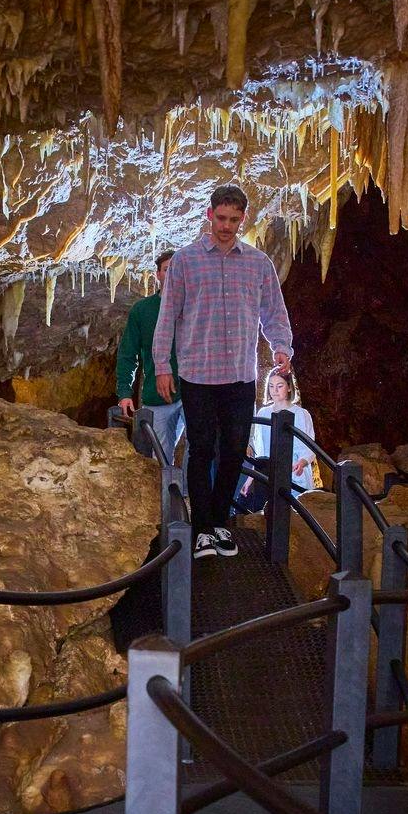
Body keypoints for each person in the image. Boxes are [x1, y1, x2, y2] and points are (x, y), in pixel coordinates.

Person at [153, 183, 296, 560]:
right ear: (209, 215)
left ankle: (219, 523)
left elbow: (274, 313)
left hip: (239, 375)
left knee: (233, 451)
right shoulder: (185, 261)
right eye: (221, 218)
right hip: (198, 374)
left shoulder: (258, 263)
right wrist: (161, 366)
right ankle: (200, 528)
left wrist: (281, 345)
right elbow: (168, 316)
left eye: (234, 219)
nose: (227, 226)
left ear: (244, 219)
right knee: (200, 450)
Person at [114, 251, 184, 463]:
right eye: (166, 269)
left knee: (200, 448)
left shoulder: (195, 307)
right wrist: (125, 392)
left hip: (193, 392)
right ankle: (163, 495)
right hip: (157, 395)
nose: (171, 274)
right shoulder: (143, 310)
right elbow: (128, 352)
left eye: (176, 269)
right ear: (158, 275)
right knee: (160, 456)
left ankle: (192, 495)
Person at [235, 367, 318, 514]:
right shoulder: (263, 413)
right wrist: (250, 479)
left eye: (280, 386)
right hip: (268, 476)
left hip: (294, 474)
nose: (275, 390)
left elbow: (309, 444)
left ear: (288, 388)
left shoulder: (301, 414)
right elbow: (261, 452)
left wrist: (303, 462)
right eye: (271, 386)